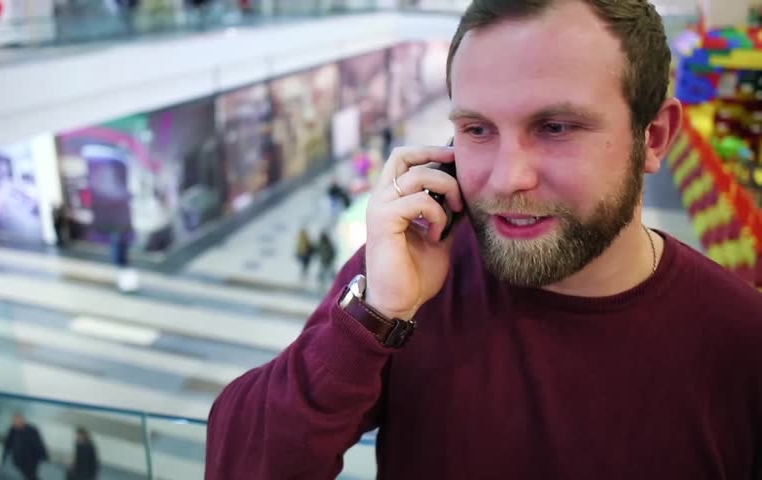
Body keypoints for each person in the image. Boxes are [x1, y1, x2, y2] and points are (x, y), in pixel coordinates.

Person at [206, 1, 762, 478]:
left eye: (556, 127)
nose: (505, 177)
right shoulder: (415, 276)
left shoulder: (741, 342)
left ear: (655, 137)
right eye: (477, 130)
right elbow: (239, 463)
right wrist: (373, 318)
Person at [1, 413, 48, 480]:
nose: (17, 423)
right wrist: (3, 458)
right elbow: (7, 445)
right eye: (15, 422)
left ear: (23, 420)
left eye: (19, 421)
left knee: (31, 476)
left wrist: (44, 457)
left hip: (31, 461)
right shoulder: (12, 430)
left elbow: (39, 444)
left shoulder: (32, 430)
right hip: (18, 461)